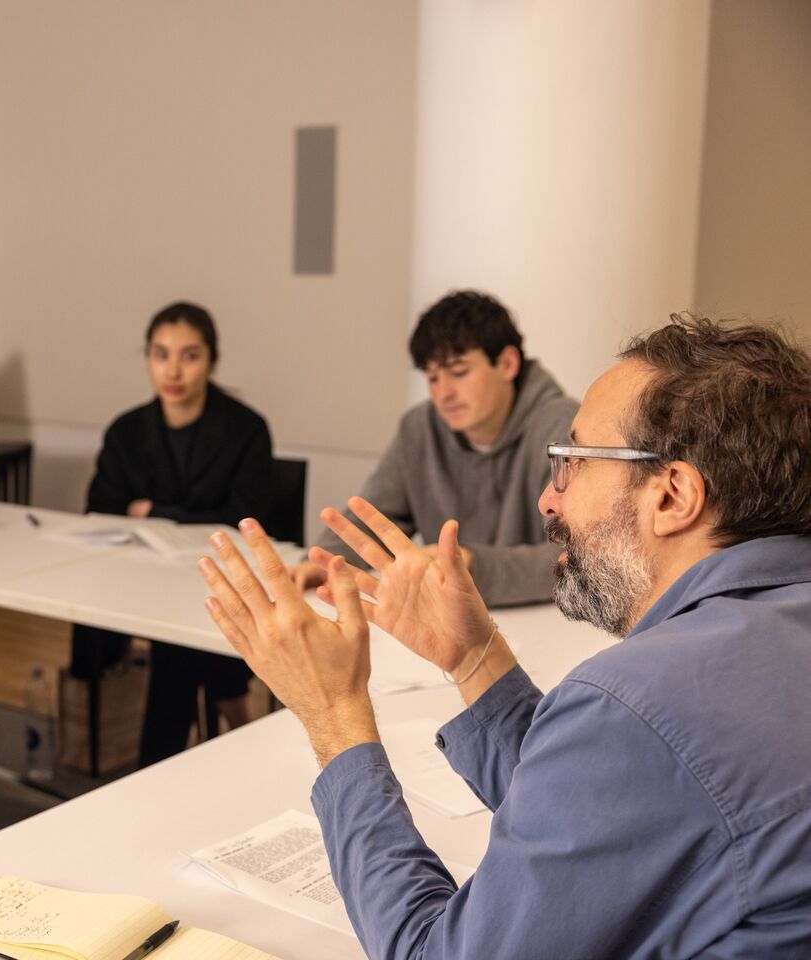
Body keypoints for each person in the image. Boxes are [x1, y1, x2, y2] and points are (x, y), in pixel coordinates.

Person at [200, 315, 811, 957]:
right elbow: (603, 806)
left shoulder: (638, 701)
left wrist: (334, 715)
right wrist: (472, 658)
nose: (549, 499)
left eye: (573, 463)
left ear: (673, 495)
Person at [74, 302, 275, 767]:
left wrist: (153, 510)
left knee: (185, 633)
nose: (173, 370)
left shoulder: (245, 430)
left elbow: (242, 518)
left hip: (224, 575)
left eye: (190, 356)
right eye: (161, 354)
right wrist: (182, 514)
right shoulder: (126, 432)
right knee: (177, 632)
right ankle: (234, 717)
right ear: (147, 357)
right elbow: (101, 509)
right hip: (141, 578)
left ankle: (158, 760)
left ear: (212, 361)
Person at [291, 291, 576, 607]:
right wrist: (325, 562)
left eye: (459, 372)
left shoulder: (564, 427)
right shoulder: (419, 428)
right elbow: (375, 518)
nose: (444, 393)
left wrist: (470, 566)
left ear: (507, 364)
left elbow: (576, 554)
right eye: (432, 378)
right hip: (444, 617)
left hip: (549, 623)